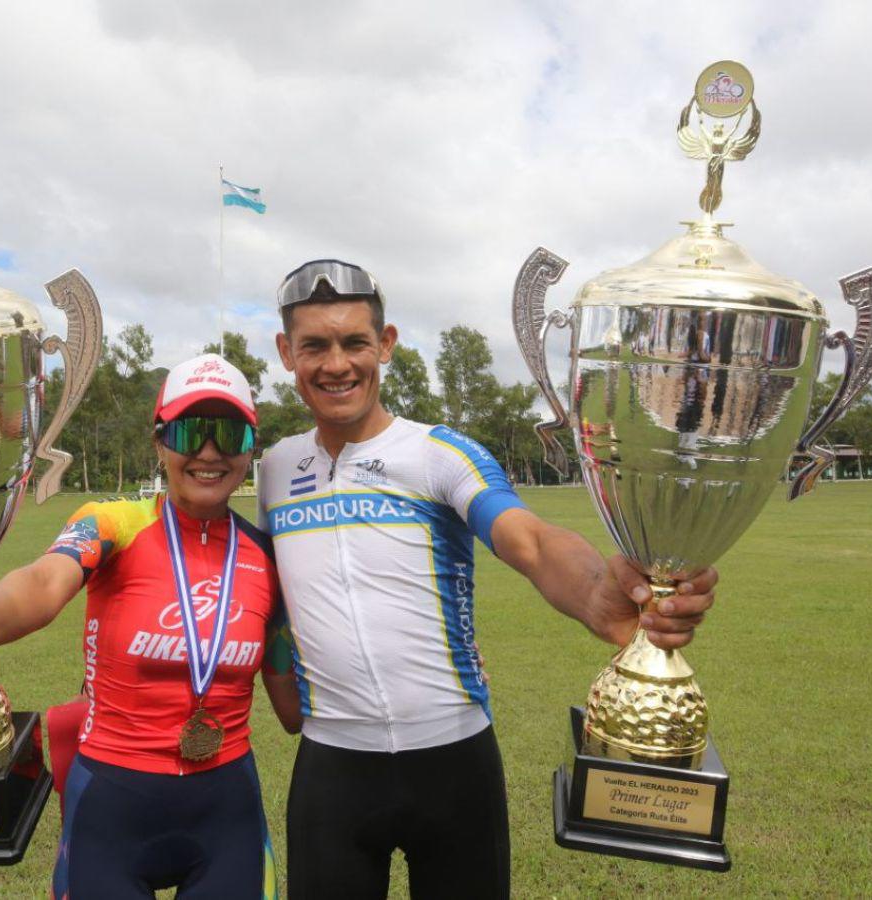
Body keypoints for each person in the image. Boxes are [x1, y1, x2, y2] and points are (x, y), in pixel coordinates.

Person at [258, 259, 718, 899]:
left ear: (384, 346)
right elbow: (275, 594)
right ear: (287, 352)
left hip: (452, 762)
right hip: (332, 768)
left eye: (354, 342)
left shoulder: (440, 453)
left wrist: (596, 595)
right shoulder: (275, 470)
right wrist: (279, 680)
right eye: (315, 346)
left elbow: (527, 540)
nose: (336, 364)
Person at [0, 354, 301, 899]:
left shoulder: (267, 557)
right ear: (160, 442)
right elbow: (44, 582)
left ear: (251, 447)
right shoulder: (111, 524)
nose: (208, 451)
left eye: (227, 433)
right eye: (189, 430)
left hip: (226, 810)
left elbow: (294, 711)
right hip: (111, 803)